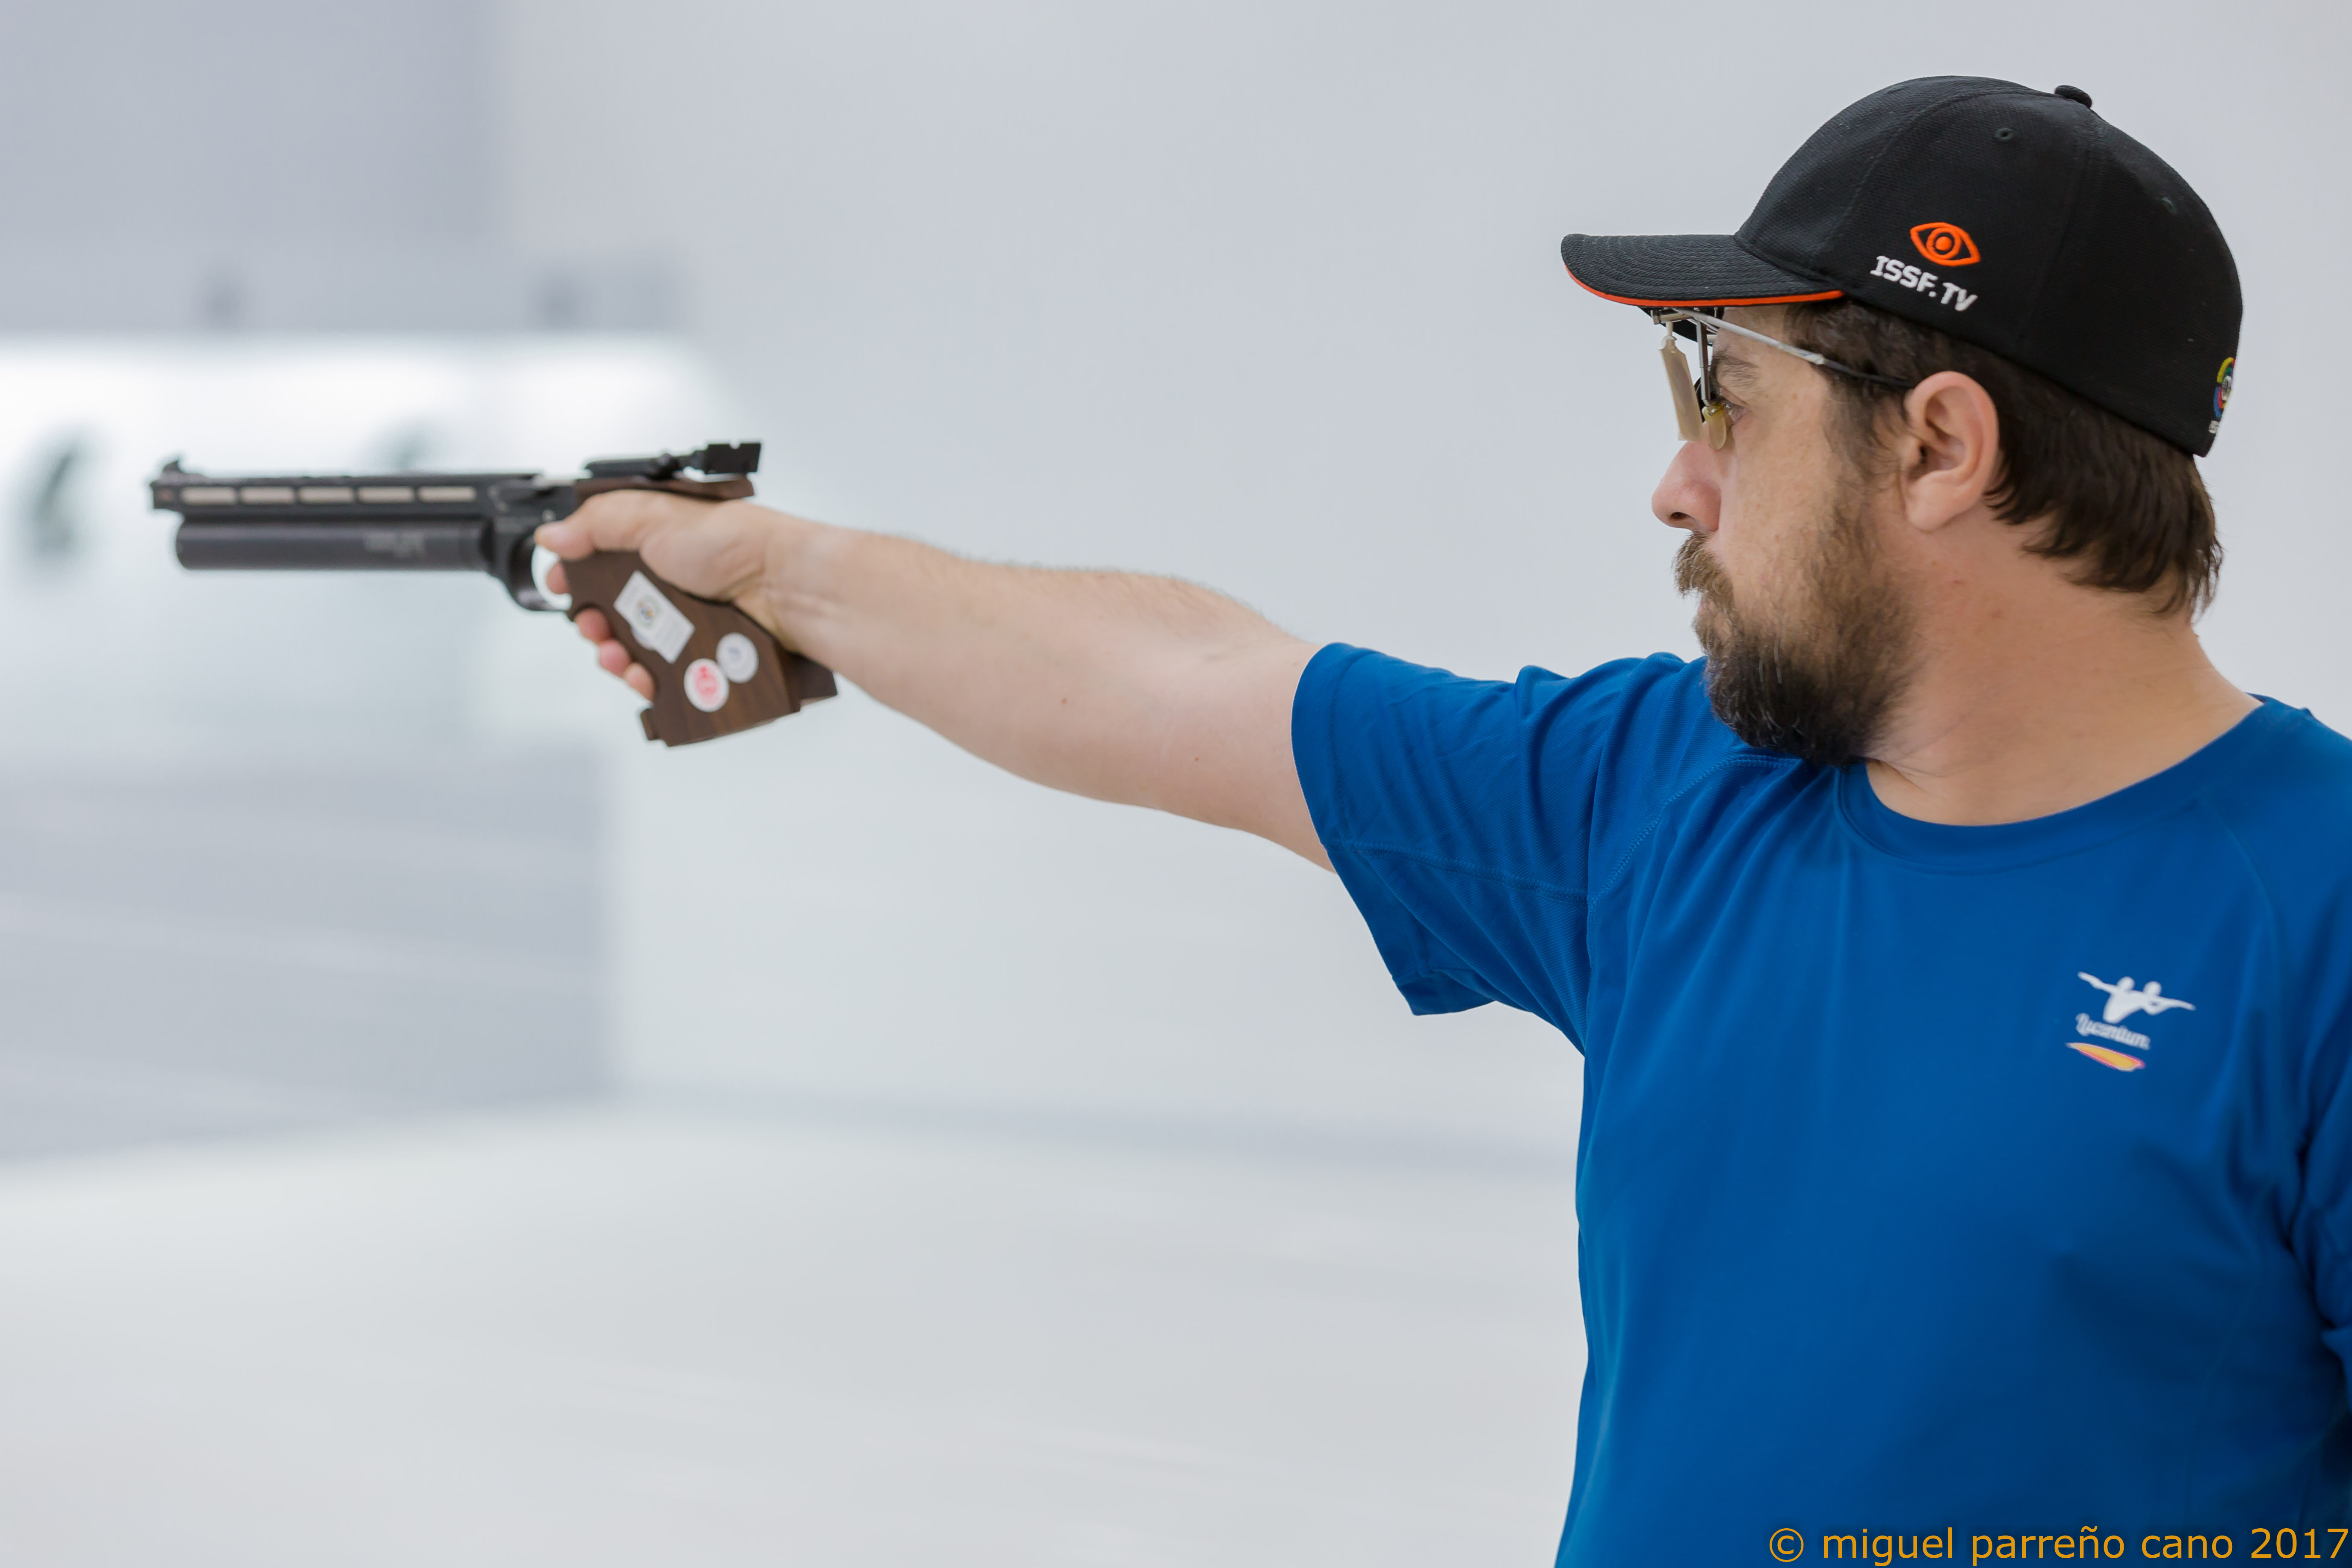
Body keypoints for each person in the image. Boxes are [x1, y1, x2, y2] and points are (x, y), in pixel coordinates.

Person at [540, 76, 2350, 1563]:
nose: (1679, 481)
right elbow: (1190, 683)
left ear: (1940, 446)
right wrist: (777, 567)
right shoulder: (1667, 791)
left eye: (1725, 395)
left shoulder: (2317, 914)